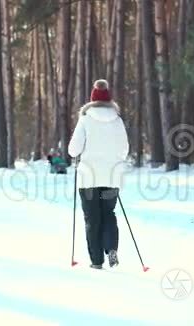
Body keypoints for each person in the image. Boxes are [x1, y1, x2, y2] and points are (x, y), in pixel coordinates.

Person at [68, 79, 129, 270]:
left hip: (89, 179)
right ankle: (111, 248)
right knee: (108, 213)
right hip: (111, 179)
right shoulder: (118, 121)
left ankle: (96, 261)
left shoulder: (85, 120)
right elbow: (125, 149)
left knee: (92, 218)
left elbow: (73, 149)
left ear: (92, 100)